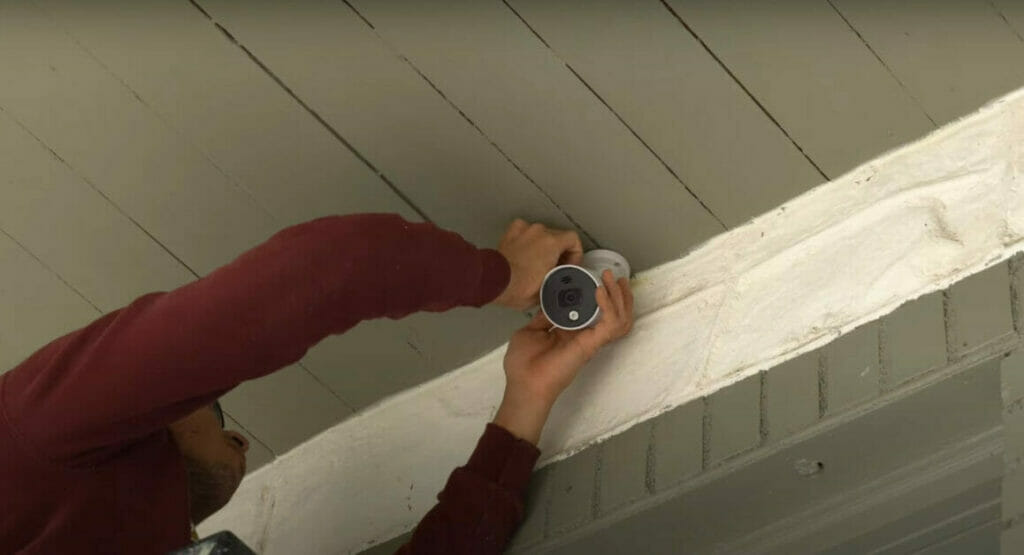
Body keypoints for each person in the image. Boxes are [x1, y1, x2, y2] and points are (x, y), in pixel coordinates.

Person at [0, 213, 634, 554]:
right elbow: (319, 273)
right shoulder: (26, 440)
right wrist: (500, 277)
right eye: (207, 404)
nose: (244, 441)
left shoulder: (33, 444)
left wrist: (524, 402)